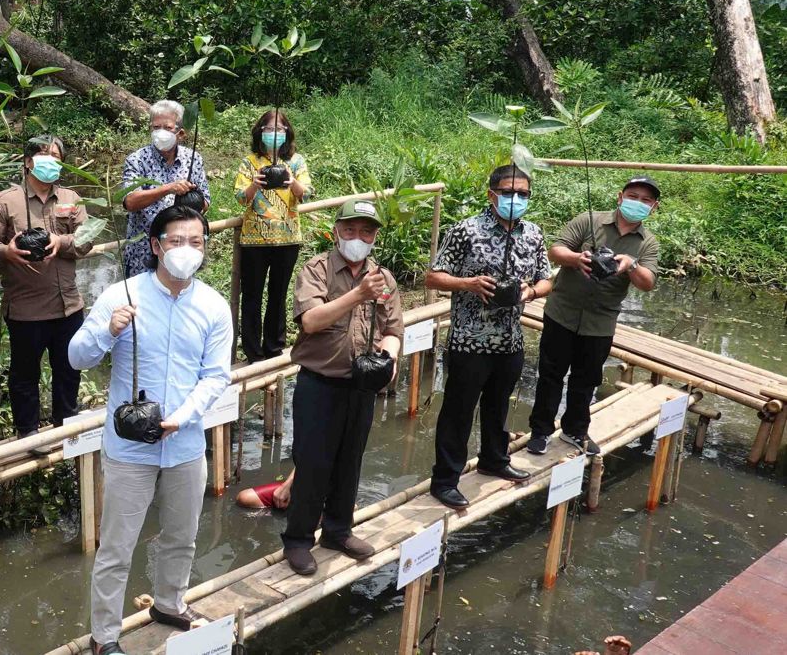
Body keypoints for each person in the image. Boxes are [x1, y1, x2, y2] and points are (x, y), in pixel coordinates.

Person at [68, 205, 233, 655]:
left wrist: (184, 416)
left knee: (182, 535)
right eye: (176, 242)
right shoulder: (122, 294)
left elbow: (216, 375)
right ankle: (104, 638)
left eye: (196, 242)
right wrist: (108, 328)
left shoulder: (213, 306)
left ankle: (168, 602)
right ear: (156, 246)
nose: (186, 251)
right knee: (117, 548)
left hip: (185, 443)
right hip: (130, 448)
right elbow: (76, 357)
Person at [282, 199, 404, 576]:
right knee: (313, 464)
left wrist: (390, 356)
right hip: (319, 384)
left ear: (374, 236)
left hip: (361, 386)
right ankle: (299, 539)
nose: (357, 237)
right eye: (349, 230)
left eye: (366, 231)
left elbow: (394, 328)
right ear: (336, 231)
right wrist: (357, 294)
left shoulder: (383, 278)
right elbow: (312, 321)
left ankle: (338, 530)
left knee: (349, 462)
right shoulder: (317, 270)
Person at [425, 165, 553, 510]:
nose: (516, 199)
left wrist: (529, 293)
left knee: (498, 405)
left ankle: (494, 459)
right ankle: (445, 480)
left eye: (523, 194)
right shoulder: (466, 230)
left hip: (510, 338)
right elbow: (433, 277)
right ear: (491, 194)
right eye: (509, 192)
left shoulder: (533, 234)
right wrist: (469, 283)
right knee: (458, 410)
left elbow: (546, 279)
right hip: (469, 340)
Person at [528, 176, 660, 456]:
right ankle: (540, 431)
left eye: (646, 200)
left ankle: (575, 430)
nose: (639, 202)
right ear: (620, 196)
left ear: (654, 206)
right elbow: (555, 250)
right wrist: (578, 259)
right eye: (633, 195)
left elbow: (648, 282)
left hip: (600, 322)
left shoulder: (647, 243)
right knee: (550, 374)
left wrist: (629, 265)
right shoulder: (589, 220)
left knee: (586, 379)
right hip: (562, 312)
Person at [0, 136, 94, 447]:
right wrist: (6, 252)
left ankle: (66, 428)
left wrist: (62, 242)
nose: (51, 160)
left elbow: (88, 237)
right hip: (26, 308)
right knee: (24, 375)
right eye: (44, 155)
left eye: (57, 155)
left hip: (68, 304)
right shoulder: (5, 201)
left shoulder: (71, 198)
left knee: (68, 370)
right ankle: (28, 434)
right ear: (29, 161)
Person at [235, 109, 310, 363]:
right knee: (253, 294)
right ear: (260, 132)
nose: (274, 133)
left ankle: (274, 346)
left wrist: (291, 181)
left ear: (287, 132)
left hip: (287, 239)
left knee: (279, 293)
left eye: (279, 128)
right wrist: (255, 184)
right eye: (269, 129)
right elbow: (240, 198)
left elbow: (306, 194)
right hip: (254, 239)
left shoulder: (296, 161)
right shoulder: (250, 162)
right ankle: (253, 351)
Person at [120, 100, 210, 277]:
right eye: (156, 127)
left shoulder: (193, 159)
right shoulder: (137, 160)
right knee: (141, 301)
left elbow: (206, 202)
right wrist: (168, 189)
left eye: (167, 127)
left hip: (182, 252)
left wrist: (191, 200)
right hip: (142, 252)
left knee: (177, 295)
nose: (160, 132)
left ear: (180, 133)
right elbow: (129, 201)